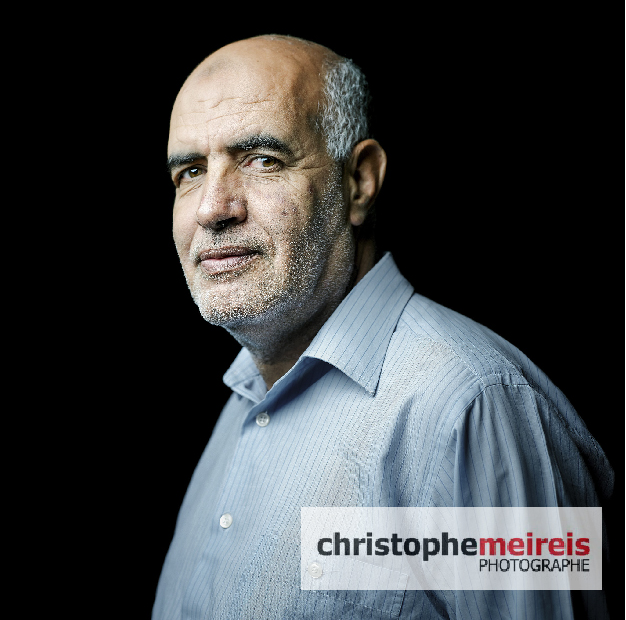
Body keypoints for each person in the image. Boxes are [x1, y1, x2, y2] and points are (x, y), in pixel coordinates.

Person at [153, 34, 613, 619]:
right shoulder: (241, 404)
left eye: (263, 160)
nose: (212, 208)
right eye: (191, 172)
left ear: (359, 181)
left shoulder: (476, 408)